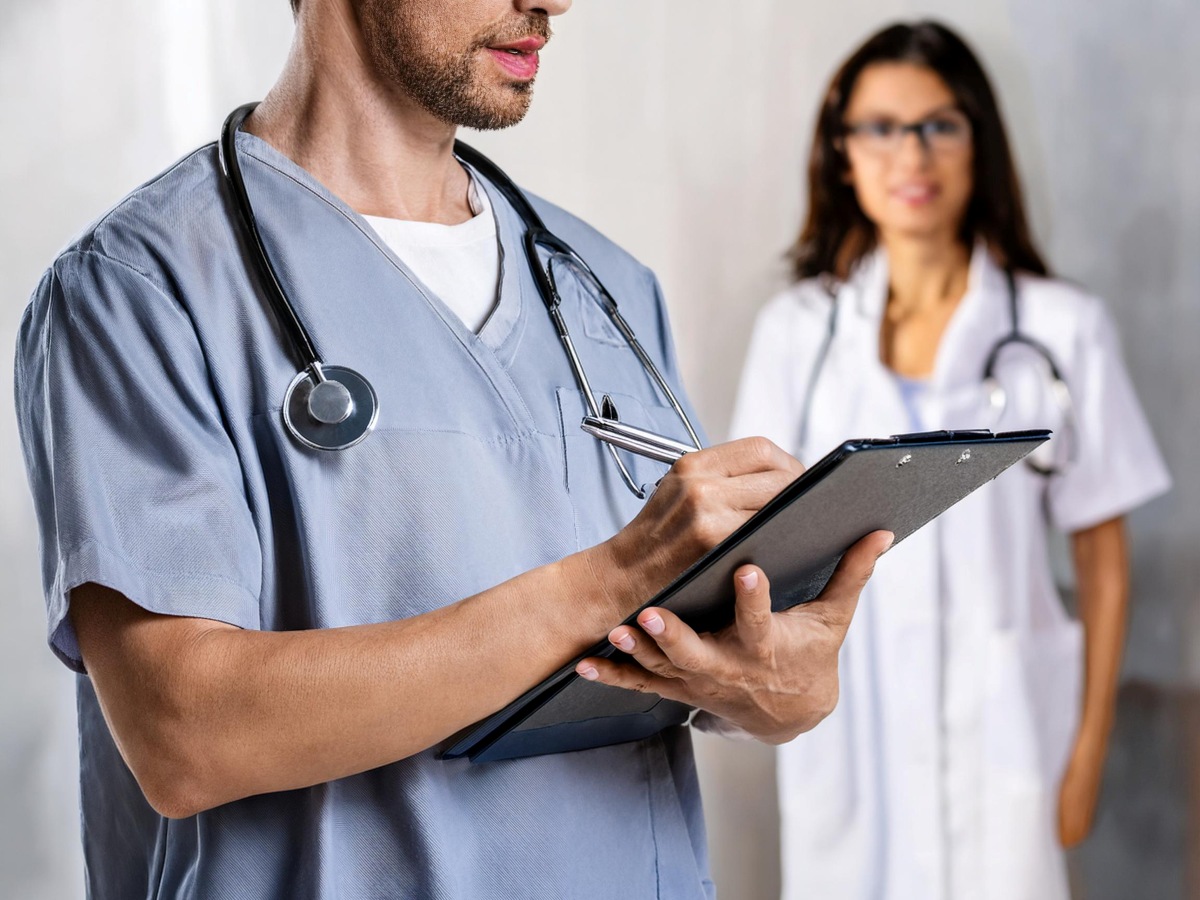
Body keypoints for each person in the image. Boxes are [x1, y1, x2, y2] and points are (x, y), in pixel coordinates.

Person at [13, 1, 893, 898]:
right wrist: (611, 580)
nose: (552, 1)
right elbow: (183, 736)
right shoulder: (139, 291)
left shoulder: (603, 290)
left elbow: (695, 662)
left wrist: (779, 686)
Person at [729, 20, 1170, 900]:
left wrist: (1085, 751)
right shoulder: (799, 333)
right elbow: (752, 536)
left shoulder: (1059, 328)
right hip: (851, 726)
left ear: (980, 143)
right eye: (881, 128)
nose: (912, 154)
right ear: (843, 153)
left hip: (1006, 728)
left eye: (940, 124)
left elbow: (1102, 554)